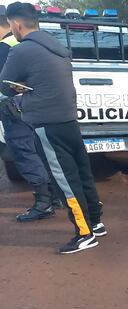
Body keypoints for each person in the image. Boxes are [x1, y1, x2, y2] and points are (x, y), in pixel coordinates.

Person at [0, 2, 105, 254]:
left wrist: (20, 86)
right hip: (68, 119)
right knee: (82, 174)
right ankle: (96, 222)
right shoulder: (54, 44)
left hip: (47, 124)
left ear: (16, 24)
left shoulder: (22, 50)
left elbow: (4, 85)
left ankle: (84, 233)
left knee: (65, 182)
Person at [0, 5, 62, 222]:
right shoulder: (38, 41)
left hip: (15, 108)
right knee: (40, 152)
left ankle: (43, 202)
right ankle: (54, 197)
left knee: (25, 153)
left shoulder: (7, 46)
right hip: (33, 107)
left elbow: (4, 85)